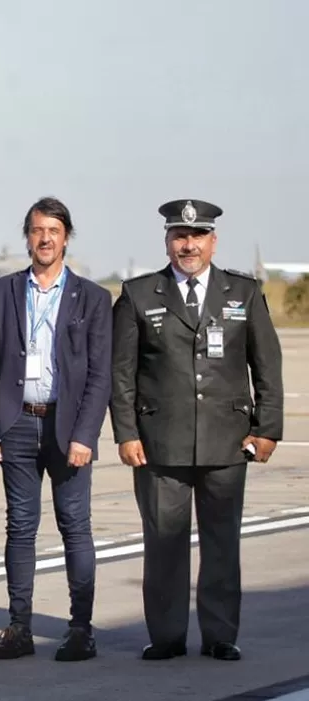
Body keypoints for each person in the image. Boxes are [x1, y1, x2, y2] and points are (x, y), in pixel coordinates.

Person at [110, 199, 283, 662]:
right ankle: (166, 636)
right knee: (164, 544)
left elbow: (266, 365)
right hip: (159, 443)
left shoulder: (242, 292)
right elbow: (121, 373)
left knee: (221, 544)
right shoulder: (140, 294)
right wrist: (126, 433)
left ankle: (220, 635)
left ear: (213, 240)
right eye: (180, 236)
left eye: (198, 235)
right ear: (167, 241)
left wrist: (267, 428)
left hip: (227, 440)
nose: (189, 244)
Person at [0, 196, 112, 662]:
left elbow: (99, 374)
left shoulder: (92, 297)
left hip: (66, 427)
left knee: (75, 526)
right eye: (36, 230)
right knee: (21, 527)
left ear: (66, 236)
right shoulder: (4, 291)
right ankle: (19, 627)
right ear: (27, 237)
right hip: (16, 422)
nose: (45, 238)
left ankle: (80, 629)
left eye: (53, 230)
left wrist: (85, 436)